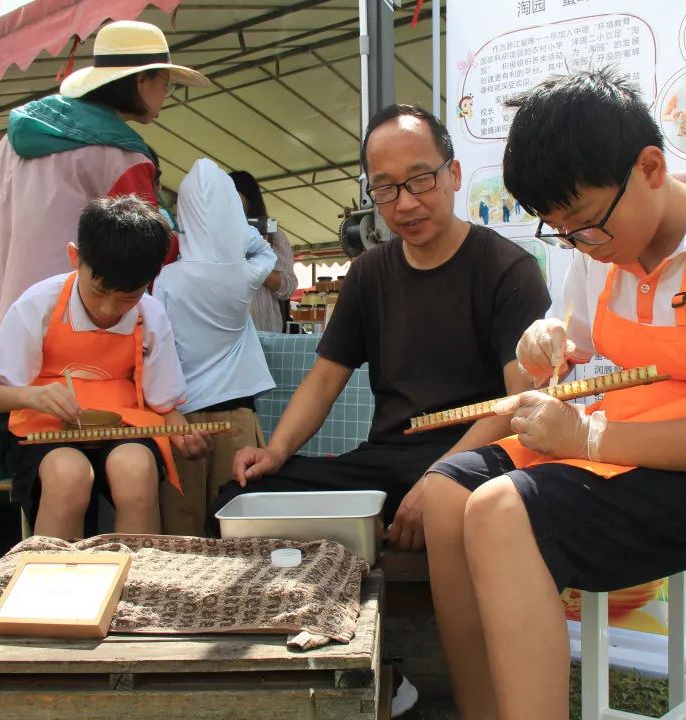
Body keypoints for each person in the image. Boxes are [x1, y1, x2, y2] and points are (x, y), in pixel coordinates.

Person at [420, 69, 686, 719]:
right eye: (560, 231)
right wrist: (540, 341)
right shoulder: (597, 247)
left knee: (499, 510)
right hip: (630, 443)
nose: (579, 246)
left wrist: (585, 437)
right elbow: (565, 342)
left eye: (584, 225)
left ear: (651, 167)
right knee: (446, 491)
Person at [220, 104, 551, 717]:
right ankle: (319, 664)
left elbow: (515, 403)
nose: (405, 202)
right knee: (246, 495)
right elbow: (324, 380)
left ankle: (433, 675)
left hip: (479, 458)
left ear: (452, 174)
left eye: (421, 179)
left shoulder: (508, 269)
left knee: (462, 502)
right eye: (386, 187)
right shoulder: (370, 272)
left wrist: (441, 476)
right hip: (389, 460)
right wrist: (276, 450)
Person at [0, 20, 209, 565]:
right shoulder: (121, 154)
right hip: (37, 336)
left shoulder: (18, 139)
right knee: (56, 472)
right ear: (142, 81)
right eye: (164, 81)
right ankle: (35, 591)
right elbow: (153, 248)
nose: (165, 94)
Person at [0, 196, 212, 539]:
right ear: (75, 257)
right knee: (68, 474)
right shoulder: (40, 304)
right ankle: (55, 583)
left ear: (151, 280)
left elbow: (165, 409)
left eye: (128, 296)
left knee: (135, 467)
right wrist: (30, 396)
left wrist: (186, 438)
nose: (109, 309)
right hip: (45, 429)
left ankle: (139, 583)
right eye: (100, 290)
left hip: (125, 427)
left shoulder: (150, 316)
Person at [153, 160, 277, 536]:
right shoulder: (244, 273)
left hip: (182, 420)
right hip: (237, 413)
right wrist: (238, 231)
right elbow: (265, 254)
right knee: (235, 527)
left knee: (182, 529)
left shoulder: (167, 280)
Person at [229, 170, 297, 333]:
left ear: (248, 198)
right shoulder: (214, 235)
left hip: (264, 333)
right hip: (227, 335)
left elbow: (288, 287)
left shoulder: (273, 235)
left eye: (233, 195)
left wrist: (255, 260)